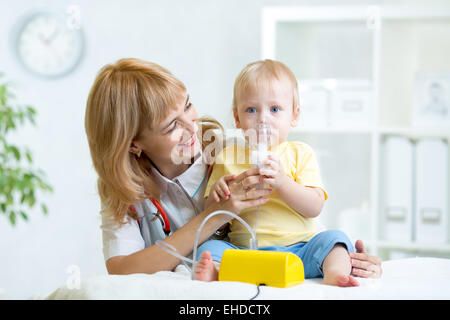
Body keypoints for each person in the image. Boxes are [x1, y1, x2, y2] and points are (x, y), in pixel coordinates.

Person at [84, 57, 382, 279]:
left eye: (187, 106)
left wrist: (344, 257)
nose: (192, 127)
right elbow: (122, 271)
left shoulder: (237, 149)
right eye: (171, 126)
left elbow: (298, 219)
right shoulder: (124, 190)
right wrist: (213, 216)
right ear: (133, 144)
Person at [195, 59, 363, 287]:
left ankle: (334, 274)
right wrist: (217, 193)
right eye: (251, 110)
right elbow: (210, 217)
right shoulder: (228, 157)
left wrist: (283, 182)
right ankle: (217, 270)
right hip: (244, 252)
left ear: (294, 116)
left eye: (275, 109)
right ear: (237, 118)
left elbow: (314, 207)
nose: (263, 119)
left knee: (336, 240)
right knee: (207, 248)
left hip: (299, 252)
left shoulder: (300, 153)